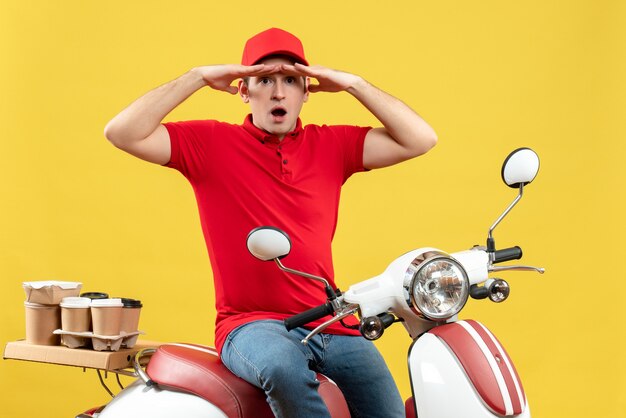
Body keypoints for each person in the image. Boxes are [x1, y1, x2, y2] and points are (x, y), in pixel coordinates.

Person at [104, 27, 437, 418]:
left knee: (386, 407)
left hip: (331, 320)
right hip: (251, 326)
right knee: (282, 367)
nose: (279, 93)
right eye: (265, 80)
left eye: (291, 80)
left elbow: (421, 139)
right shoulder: (209, 144)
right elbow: (121, 132)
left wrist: (353, 84)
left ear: (305, 92)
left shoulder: (331, 146)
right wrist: (196, 77)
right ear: (244, 90)